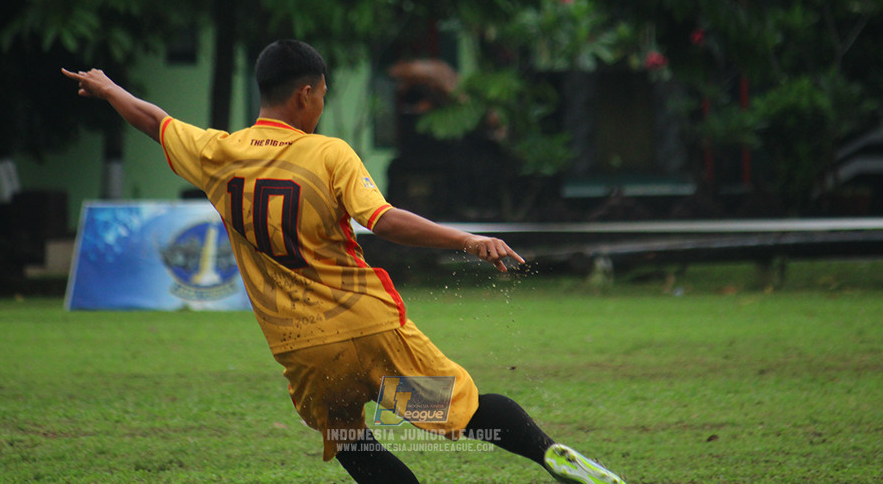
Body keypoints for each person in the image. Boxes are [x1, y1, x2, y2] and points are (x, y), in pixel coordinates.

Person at [62, 39, 625, 484]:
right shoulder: (327, 153)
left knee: (353, 441)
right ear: (306, 94)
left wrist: (110, 88)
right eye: (324, 94)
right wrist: (465, 240)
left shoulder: (219, 153)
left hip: (305, 351)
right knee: (463, 410)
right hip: (367, 331)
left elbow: (153, 120)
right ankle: (551, 456)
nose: (323, 105)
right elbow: (382, 220)